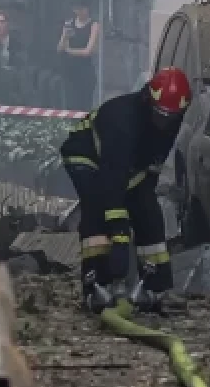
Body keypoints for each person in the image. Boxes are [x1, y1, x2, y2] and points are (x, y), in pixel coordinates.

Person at [59, 67, 192, 314]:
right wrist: (120, 233)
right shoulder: (124, 120)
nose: (164, 122)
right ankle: (96, 286)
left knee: (149, 212)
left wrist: (145, 196)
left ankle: (156, 287)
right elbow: (112, 176)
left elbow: (153, 159)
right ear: (147, 100)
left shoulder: (171, 115)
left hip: (127, 164)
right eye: (160, 114)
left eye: (170, 117)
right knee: (97, 209)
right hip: (86, 154)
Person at [58, 0, 100, 110]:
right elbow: (60, 49)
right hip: (70, 72)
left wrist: (69, 51)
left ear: (87, 9)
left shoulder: (94, 25)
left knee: (84, 106)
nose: (79, 12)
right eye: (77, 9)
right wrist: (64, 36)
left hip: (85, 72)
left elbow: (88, 51)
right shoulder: (69, 24)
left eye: (82, 9)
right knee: (70, 105)